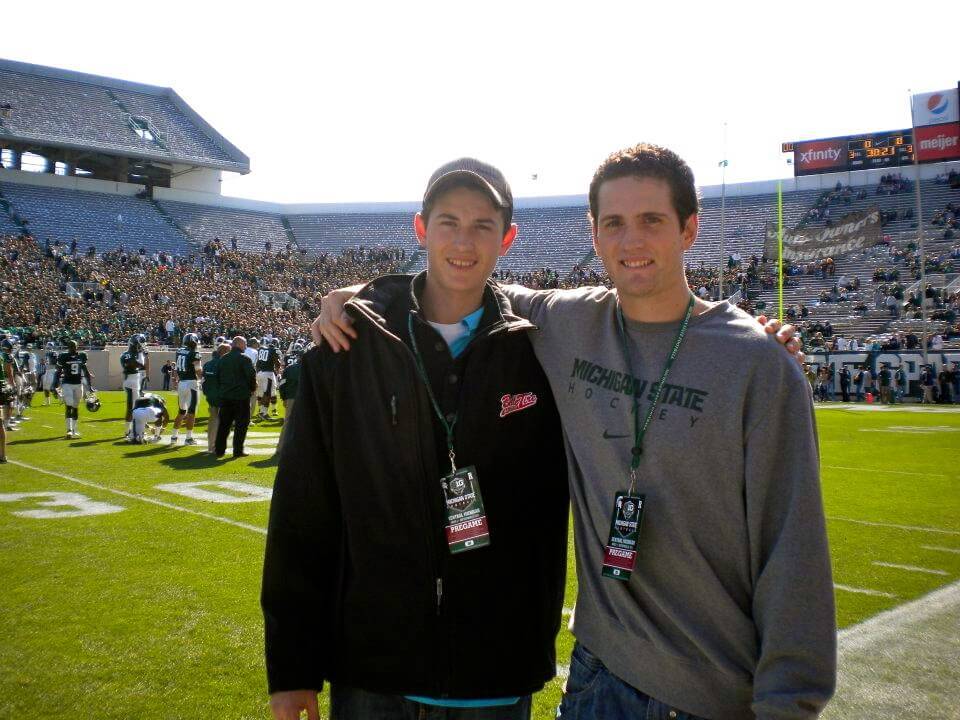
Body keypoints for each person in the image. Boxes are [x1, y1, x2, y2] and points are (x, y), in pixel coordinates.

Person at [315, 144, 833, 719]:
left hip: (712, 695)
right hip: (595, 679)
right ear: (593, 234)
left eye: (651, 221)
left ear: (689, 229)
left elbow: (795, 549)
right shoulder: (567, 321)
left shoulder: (757, 363)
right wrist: (365, 297)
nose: (630, 241)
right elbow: (461, 281)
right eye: (613, 223)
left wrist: (789, 707)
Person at [263, 158, 569, 720]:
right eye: (448, 221)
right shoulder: (346, 347)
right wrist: (292, 667)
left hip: (495, 674)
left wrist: (767, 341)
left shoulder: (542, 352)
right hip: (375, 671)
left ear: (508, 237)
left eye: (482, 225)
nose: (463, 241)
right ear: (421, 228)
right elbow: (302, 515)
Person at [214, 336, 255, 459]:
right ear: (239, 344)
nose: (246, 346)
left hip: (226, 396)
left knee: (224, 425)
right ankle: (237, 450)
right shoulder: (245, 359)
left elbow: (217, 376)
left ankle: (219, 450)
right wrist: (252, 389)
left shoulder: (223, 359)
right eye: (245, 344)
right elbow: (251, 376)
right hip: (241, 397)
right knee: (241, 425)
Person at [54, 339, 95, 439]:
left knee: (75, 406)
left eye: (74, 346)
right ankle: (69, 430)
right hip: (67, 383)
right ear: (69, 347)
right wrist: (55, 385)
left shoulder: (81, 356)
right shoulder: (64, 356)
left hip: (78, 384)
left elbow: (85, 372)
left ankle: (75, 429)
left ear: (77, 347)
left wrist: (90, 386)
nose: (73, 348)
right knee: (69, 404)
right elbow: (58, 371)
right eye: (71, 346)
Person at [170, 333, 202, 445]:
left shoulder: (179, 351)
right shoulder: (195, 353)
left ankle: (174, 436)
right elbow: (197, 369)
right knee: (192, 412)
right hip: (191, 383)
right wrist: (204, 379)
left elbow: (178, 367)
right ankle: (188, 438)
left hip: (181, 383)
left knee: (181, 411)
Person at [202, 339, 230, 454]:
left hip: (210, 394)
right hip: (221, 395)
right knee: (223, 421)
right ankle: (217, 446)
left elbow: (204, 381)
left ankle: (210, 445)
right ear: (224, 352)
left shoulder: (207, 364)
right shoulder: (224, 364)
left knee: (212, 419)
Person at [275, 341, 303, 453]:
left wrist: (283, 398)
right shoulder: (310, 369)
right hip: (304, 399)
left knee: (287, 423)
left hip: (290, 397)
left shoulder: (289, 369)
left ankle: (280, 448)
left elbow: (282, 385)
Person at [120, 335, 148, 438]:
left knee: (135, 407)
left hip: (133, 381)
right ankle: (128, 431)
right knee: (132, 408)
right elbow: (139, 364)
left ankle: (132, 429)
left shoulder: (127, 354)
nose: (139, 347)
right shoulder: (129, 355)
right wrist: (141, 353)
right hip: (131, 382)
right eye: (139, 345)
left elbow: (140, 365)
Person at [254, 337, 282, 422]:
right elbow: (277, 362)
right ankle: (264, 413)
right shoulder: (273, 350)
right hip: (268, 373)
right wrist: (278, 371)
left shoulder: (259, 350)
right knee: (267, 393)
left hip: (259, 373)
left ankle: (261, 411)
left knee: (262, 393)